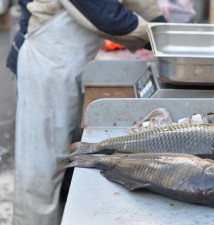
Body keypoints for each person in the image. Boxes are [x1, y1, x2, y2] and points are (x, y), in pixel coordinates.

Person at [6, 1, 166, 225]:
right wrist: (160, 38)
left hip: (70, 65)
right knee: (42, 173)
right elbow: (101, 12)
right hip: (47, 65)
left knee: (64, 163)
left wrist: (161, 24)